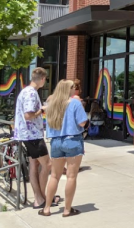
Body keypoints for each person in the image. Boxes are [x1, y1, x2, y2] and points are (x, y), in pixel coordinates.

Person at [38, 80, 88, 217]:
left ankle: (47, 208)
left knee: (54, 176)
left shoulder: (51, 104)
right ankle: (67, 210)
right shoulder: (75, 103)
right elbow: (82, 122)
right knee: (71, 176)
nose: (75, 89)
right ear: (68, 89)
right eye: (73, 87)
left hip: (56, 141)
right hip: (72, 140)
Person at [13, 68, 60, 209]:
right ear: (42, 79)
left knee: (34, 165)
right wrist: (43, 109)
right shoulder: (31, 93)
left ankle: (39, 198)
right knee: (48, 165)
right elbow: (28, 115)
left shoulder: (26, 91)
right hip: (32, 135)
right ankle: (41, 198)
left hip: (28, 134)